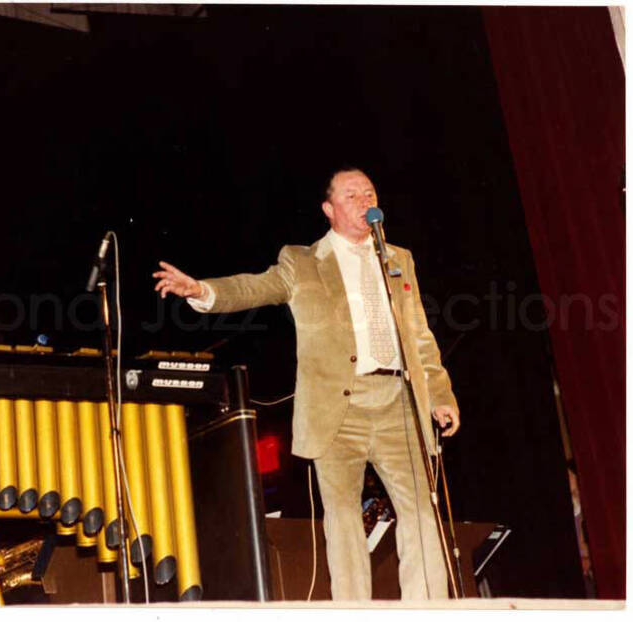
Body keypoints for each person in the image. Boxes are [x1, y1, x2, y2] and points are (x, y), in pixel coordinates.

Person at [152, 168, 460, 600]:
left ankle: (428, 610)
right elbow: (253, 287)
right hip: (339, 407)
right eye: (351, 195)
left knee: (421, 513)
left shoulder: (398, 259)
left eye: (368, 192)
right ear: (329, 210)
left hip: (398, 403)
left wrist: (440, 395)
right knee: (342, 518)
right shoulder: (301, 262)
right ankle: (354, 611)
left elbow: (420, 335)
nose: (362, 200)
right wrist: (200, 290)